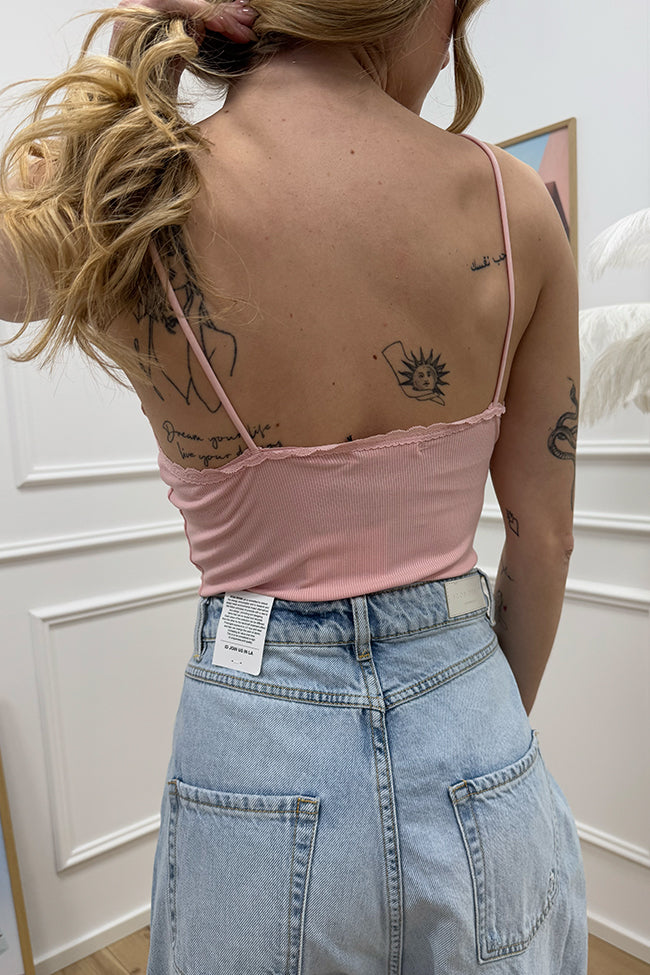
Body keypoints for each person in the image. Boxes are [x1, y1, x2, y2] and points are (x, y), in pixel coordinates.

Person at [0, 0, 587, 971]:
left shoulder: (138, 194)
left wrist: (141, 34)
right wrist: (477, 727)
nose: (451, 54)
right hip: (474, 730)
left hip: (254, 745)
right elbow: (545, 538)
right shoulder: (515, 206)